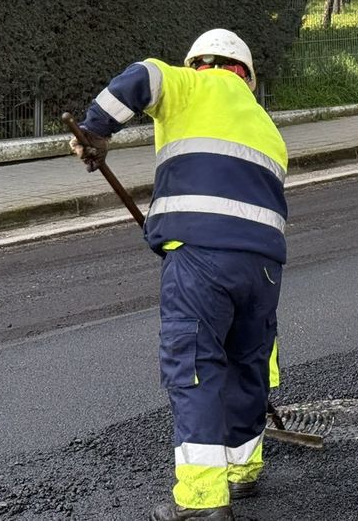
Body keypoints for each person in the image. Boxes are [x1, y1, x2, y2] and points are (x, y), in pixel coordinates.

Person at [70, 28, 287, 521]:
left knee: (194, 368)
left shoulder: (189, 84)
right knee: (247, 362)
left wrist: (97, 131)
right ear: (247, 77)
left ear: (199, 63)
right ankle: (243, 472)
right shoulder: (267, 127)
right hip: (265, 267)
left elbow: (142, 76)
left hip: (200, 259)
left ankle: (202, 502)